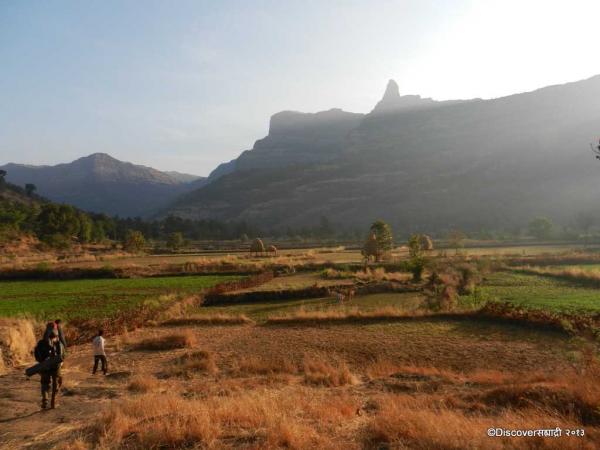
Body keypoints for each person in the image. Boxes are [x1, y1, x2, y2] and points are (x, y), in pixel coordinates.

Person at [34, 322, 64, 409]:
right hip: (56, 367)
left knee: (44, 383)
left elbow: (36, 354)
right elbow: (62, 355)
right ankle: (53, 401)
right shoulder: (58, 342)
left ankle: (45, 399)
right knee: (58, 382)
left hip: (44, 366)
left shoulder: (41, 343)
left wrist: (42, 362)